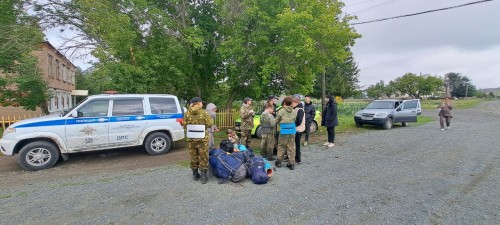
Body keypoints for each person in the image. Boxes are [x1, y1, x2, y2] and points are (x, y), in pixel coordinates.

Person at [183, 97, 214, 184]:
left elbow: (185, 125)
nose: (202, 104)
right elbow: (209, 124)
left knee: (193, 155)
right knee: (203, 155)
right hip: (202, 139)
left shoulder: (187, 113)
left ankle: (195, 175)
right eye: (201, 102)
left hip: (191, 139)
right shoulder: (204, 112)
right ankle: (203, 177)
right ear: (198, 103)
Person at [275, 96, 297, 170]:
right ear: (291, 103)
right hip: (292, 131)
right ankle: (291, 164)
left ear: (284, 103)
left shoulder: (281, 111)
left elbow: (276, 121)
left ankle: (278, 162)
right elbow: (295, 119)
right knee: (291, 147)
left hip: (283, 131)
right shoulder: (294, 111)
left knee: (281, 146)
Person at [292, 96, 305, 164]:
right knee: (294, 144)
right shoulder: (296, 109)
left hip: (298, 130)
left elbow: (299, 121)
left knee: (297, 145)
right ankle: (294, 157)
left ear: (295, 102)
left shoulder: (299, 110)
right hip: (296, 129)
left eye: (292, 102)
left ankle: (298, 159)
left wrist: (291, 124)